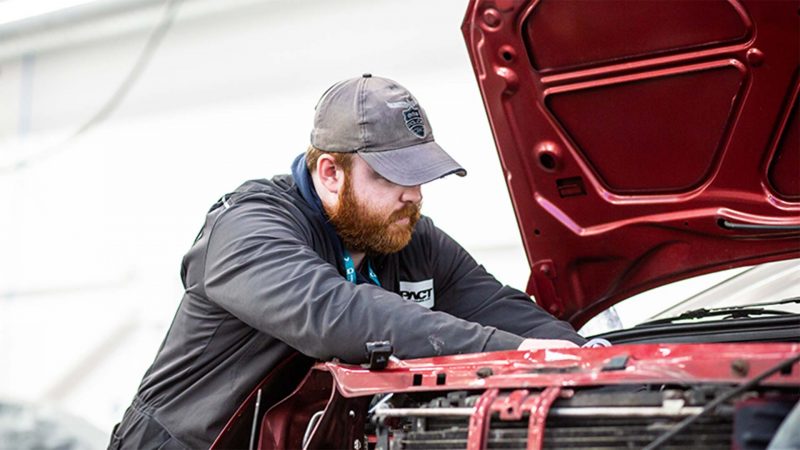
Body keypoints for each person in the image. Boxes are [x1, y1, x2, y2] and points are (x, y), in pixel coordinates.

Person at [109, 74, 586, 449]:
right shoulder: (247, 228)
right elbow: (335, 314)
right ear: (331, 172)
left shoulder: (411, 237)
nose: (414, 195)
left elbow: (500, 307)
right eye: (395, 176)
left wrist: (586, 357)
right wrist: (519, 354)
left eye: (422, 175)